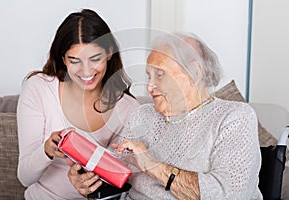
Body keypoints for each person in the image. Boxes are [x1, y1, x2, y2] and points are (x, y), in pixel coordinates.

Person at [69, 32, 263, 199]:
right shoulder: (143, 115)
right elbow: (117, 181)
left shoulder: (234, 117)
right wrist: (89, 184)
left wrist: (151, 165)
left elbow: (231, 194)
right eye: (148, 76)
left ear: (195, 72)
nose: (149, 87)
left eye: (159, 75)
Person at [17, 9, 139, 199]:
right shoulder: (39, 88)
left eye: (95, 59)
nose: (86, 71)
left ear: (108, 53)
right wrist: (46, 151)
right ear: (64, 59)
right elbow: (24, 177)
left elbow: (120, 179)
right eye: (75, 61)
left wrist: (87, 184)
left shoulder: (128, 109)